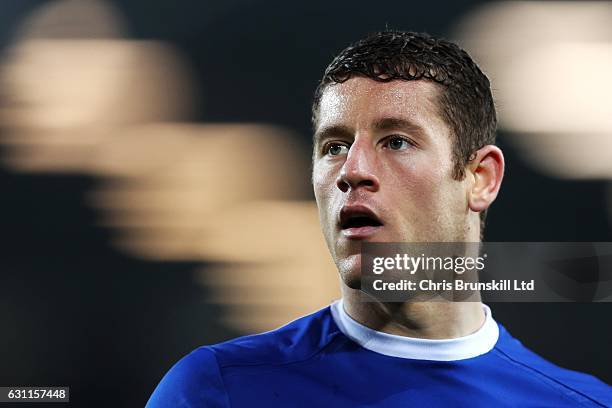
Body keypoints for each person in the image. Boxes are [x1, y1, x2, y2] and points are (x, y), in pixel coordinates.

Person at [146, 31, 611, 407]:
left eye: (396, 142)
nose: (353, 172)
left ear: (480, 178)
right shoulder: (216, 389)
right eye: (334, 147)